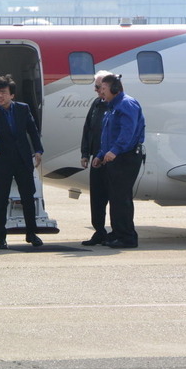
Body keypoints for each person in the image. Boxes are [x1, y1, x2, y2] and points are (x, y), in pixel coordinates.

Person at [0, 74, 44, 249]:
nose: (0, 96)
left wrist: (38, 150)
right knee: (0, 199)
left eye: (3, 93)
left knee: (28, 198)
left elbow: (32, 130)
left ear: (12, 95)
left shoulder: (23, 109)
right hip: (2, 161)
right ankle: (0, 237)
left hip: (22, 159)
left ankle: (31, 233)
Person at [92, 74, 145, 249]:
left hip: (126, 157)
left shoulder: (126, 104)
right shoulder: (112, 107)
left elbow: (127, 133)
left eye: (104, 89)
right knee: (115, 197)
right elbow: (107, 136)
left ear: (115, 89)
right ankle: (117, 233)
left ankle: (128, 237)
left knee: (121, 198)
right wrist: (100, 154)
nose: (101, 92)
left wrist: (114, 151)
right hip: (115, 157)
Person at [80, 70, 112, 246]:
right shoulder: (96, 104)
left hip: (112, 158)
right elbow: (88, 129)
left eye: (99, 87)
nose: (96, 90)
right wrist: (85, 153)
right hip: (96, 158)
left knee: (114, 196)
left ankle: (117, 231)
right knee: (97, 197)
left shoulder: (116, 105)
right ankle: (99, 230)